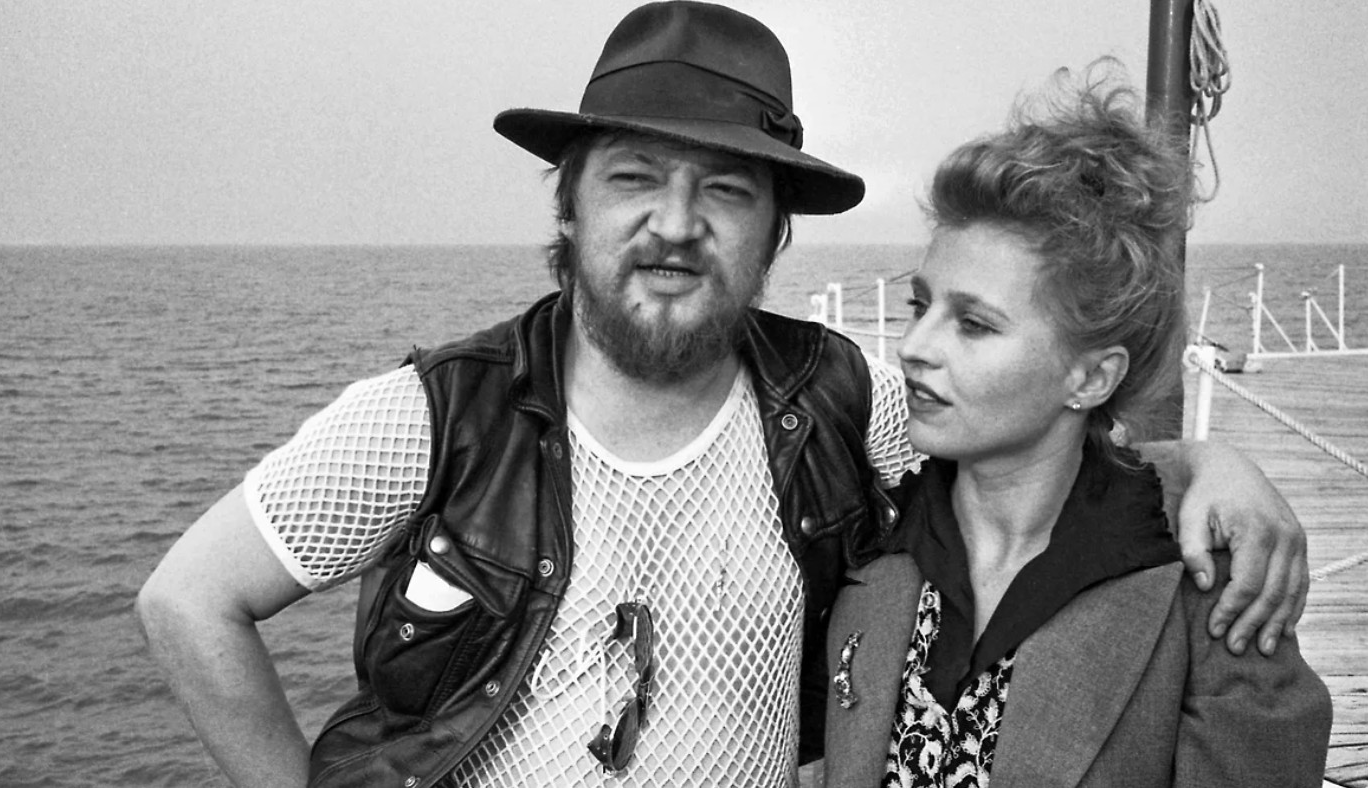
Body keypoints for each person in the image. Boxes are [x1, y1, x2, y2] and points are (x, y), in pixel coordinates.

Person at [136, 5, 1308, 787]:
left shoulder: (841, 401)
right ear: (570, 207)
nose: (675, 223)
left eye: (727, 192)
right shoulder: (437, 417)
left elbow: (1030, 461)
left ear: (775, 232)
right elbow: (187, 600)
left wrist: (1207, 466)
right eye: (633, 177)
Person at [821, 67, 1331, 788]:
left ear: (1090, 378)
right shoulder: (871, 546)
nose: (914, 346)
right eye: (919, 305)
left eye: (973, 323)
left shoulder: (1207, 597)